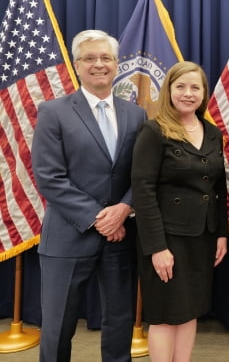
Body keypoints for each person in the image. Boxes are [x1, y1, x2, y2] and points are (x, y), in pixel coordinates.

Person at [32, 30, 146, 362]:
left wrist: (124, 208)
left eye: (106, 58)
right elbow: (49, 178)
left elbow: (140, 173)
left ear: (116, 64)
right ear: (77, 66)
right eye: (90, 58)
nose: (99, 64)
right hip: (69, 235)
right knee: (57, 327)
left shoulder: (135, 114)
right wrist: (102, 218)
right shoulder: (54, 112)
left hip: (119, 237)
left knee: (119, 323)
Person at [130, 61, 229, 361]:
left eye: (195, 87)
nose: (188, 93)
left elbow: (218, 189)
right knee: (164, 314)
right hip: (167, 238)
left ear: (204, 93)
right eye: (181, 86)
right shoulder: (154, 130)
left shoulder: (212, 132)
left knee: (190, 310)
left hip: (202, 237)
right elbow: (143, 191)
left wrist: (222, 235)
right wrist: (157, 247)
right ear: (168, 90)